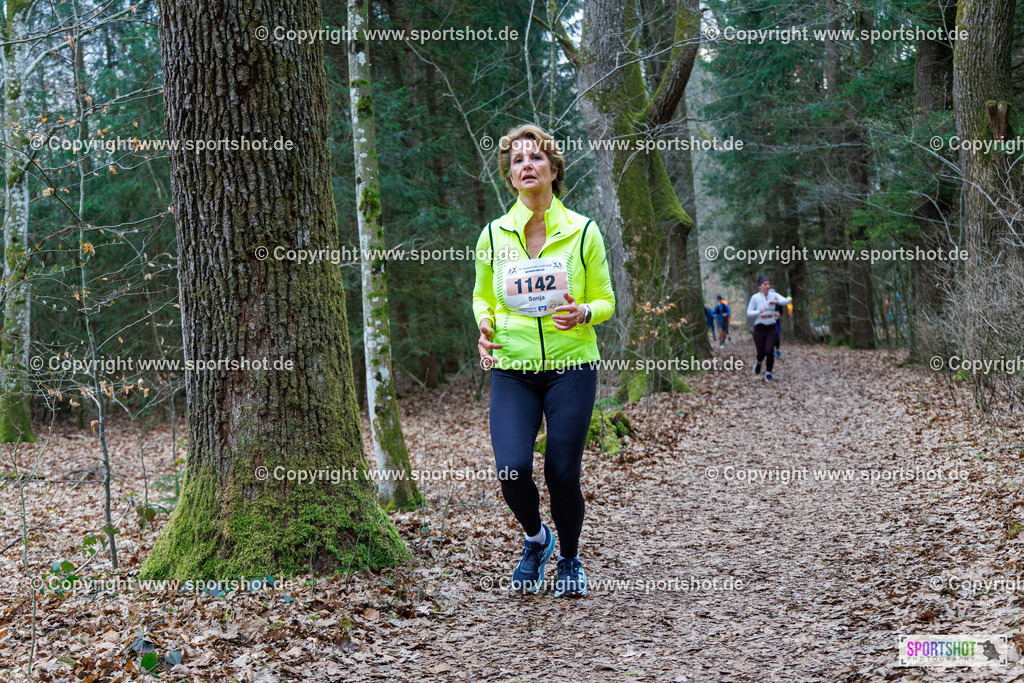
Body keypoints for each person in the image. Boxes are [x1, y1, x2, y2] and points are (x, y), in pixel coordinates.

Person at [473, 124, 615, 598]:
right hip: (513, 368)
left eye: (535, 158)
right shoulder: (492, 235)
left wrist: (585, 312)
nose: (526, 165)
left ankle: (570, 559)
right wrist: (485, 327)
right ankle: (537, 539)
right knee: (511, 469)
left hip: (572, 365)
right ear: (510, 177)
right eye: (516, 160)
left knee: (561, 471)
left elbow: (607, 301)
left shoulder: (583, 231)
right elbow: (481, 297)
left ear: (553, 170)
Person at [746, 276, 790, 382]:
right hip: (760, 327)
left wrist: (777, 302)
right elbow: (748, 313)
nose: (767, 286)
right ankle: (758, 362)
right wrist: (759, 311)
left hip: (771, 327)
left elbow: (787, 301)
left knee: (769, 350)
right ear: (760, 286)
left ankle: (769, 373)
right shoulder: (755, 297)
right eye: (765, 284)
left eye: (768, 284)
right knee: (761, 352)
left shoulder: (773, 295)